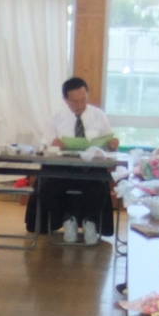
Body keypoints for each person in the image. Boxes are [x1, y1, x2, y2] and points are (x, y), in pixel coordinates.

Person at [32, 77, 117, 245]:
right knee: (47, 186)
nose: (79, 105)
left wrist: (112, 144)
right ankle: (67, 219)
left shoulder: (98, 116)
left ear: (87, 95)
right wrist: (54, 145)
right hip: (63, 167)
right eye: (74, 102)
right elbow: (44, 147)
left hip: (91, 167)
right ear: (65, 100)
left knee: (99, 185)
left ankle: (90, 221)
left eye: (83, 100)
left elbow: (109, 143)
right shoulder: (57, 117)